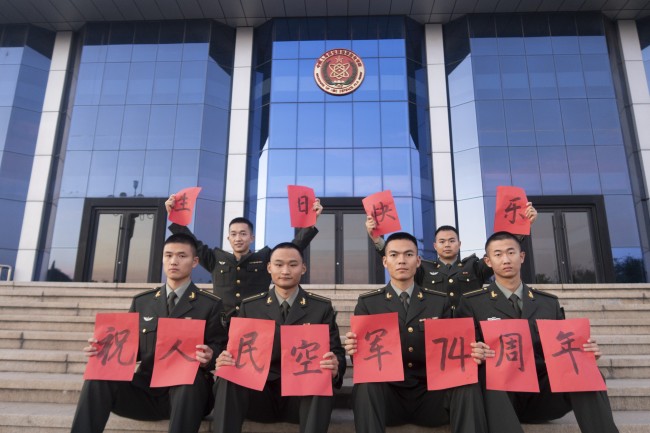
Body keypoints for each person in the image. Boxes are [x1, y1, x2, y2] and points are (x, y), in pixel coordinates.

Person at [456, 231, 619, 433]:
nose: (506, 259)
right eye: (498, 254)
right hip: (499, 397)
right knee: (486, 373)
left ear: (521, 256)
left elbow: (563, 348)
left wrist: (583, 352)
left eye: (511, 252)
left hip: (542, 395)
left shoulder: (548, 303)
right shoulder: (473, 302)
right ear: (488, 261)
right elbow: (464, 352)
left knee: (588, 372)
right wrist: (475, 352)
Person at [70, 233, 227, 433]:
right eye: (168, 255)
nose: (173, 261)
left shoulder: (210, 304)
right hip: (145, 391)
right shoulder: (142, 302)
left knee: (190, 380)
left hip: (189, 395)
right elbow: (130, 349)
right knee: (99, 375)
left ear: (195, 261)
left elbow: (220, 346)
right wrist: (105, 349)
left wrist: (209, 357)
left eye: (181, 256)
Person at [344, 232, 488, 433]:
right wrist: (354, 350)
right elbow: (367, 359)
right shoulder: (369, 303)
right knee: (366, 384)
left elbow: (451, 354)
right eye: (394, 255)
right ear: (385, 261)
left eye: (409, 254)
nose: (401, 260)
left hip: (431, 396)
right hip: (389, 400)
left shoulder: (439, 301)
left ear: (418, 261)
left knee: (467, 383)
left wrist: (471, 350)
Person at [212, 242, 346, 433]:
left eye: (293, 265)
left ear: (303, 268)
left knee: (322, 374)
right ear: (269, 267)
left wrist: (335, 366)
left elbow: (337, 352)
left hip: (300, 399)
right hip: (259, 395)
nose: (285, 270)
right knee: (228, 376)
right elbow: (237, 350)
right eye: (278, 264)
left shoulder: (320, 308)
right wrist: (226, 359)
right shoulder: (250, 307)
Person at [165, 194, 323, 322]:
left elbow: (291, 250)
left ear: (251, 238)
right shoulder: (215, 258)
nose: (238, 238)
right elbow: (193, 244)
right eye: (233, 234)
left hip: (256, 321)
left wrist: (311, 224)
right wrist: (175, 218)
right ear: (228, 238)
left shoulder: (264, 258)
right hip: (221, 323)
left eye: (243, 234)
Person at [365, 203, 538, 310]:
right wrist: (377, 240)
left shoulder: (474, 266)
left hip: (470, 322)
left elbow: (500, 253)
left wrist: (522, 228)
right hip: (436, 324)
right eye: (442, 241)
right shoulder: (423, 268)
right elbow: (398, 261)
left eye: (451, 241)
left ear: (459, 244)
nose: (447, 244)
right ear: (435, 246)